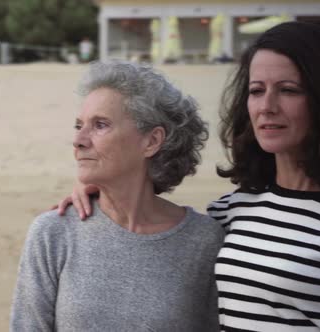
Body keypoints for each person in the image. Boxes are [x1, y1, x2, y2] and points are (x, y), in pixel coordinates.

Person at [57, 21, 320, 331]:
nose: (267, 107)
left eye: (288, 90)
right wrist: (98, 182)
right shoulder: (232, 211)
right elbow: (157, 223)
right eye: (256, 91)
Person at [11, 60, 225, 331]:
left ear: (151, 141)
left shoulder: (204, 241)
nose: (79, 140)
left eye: (100, 125)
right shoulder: (53, 232)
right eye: (79, 125)